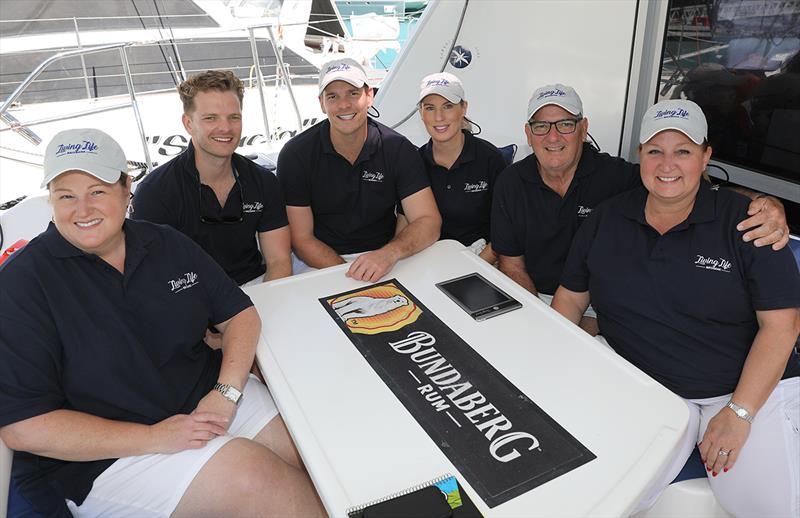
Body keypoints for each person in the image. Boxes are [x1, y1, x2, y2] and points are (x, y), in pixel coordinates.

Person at [0, 128, 325, 517]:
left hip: (208, 397)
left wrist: (226, 391)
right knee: (258, 481)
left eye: (98, 191)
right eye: (66, 195)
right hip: (113, 455)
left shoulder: (164, 243)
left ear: (126, 189)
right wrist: (154, 437)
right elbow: (24, 427)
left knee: (316, 449)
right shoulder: (22, 284)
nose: (82, 210)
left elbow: (240, 315)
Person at [552, 100, 800, 517]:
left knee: (767, 509)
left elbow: (783, 326)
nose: (668, 164)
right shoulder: (606, 219)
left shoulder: (748, 222)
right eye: (655, 151)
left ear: (706, 157)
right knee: (593, 494)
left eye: (683, 151)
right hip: (648, 388)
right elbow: (570, 301)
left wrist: (739, 412)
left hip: (746, 389)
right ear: (640, 157)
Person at [491, 83, 790, 335]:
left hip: (597, 302)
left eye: (565, 124)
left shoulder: (617, 177)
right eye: (541, 126)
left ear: (583, 129)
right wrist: (535, 320)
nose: (553, 136)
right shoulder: (511, 182)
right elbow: (513, 267)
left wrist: (763, 203)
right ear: (528, 134)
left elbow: (682, 185)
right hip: (535, 296)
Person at [277, 58, 441, 282]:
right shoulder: (296, 155)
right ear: (322, 103)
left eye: (353, 93)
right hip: (317, 262)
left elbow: (428, 221)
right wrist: (347, 274)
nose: (344, 105)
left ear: (369, 96)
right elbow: (301, 239)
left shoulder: (397, 148)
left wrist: (388, 254)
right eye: (332, 96)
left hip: (386, 257)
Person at [132, 70, 291, 286]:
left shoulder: (263, 182)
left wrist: (261, 305)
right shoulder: (155, 192)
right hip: (191, 298)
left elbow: (279, 262)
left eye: (233, 117)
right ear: (188, 124)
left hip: (256, 288)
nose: (225, 128)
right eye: (210, 118)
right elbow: (152, 277)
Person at [397, 72, 506, 263]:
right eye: (430, 108)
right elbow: (404, 224)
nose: (439, 117)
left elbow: (506, 228)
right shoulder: (414, 162)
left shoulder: (491, 159)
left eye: (447, 106)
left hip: (482, 260)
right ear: (421, 113)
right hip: (427, 259)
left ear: (463, 108)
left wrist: (475, 267)